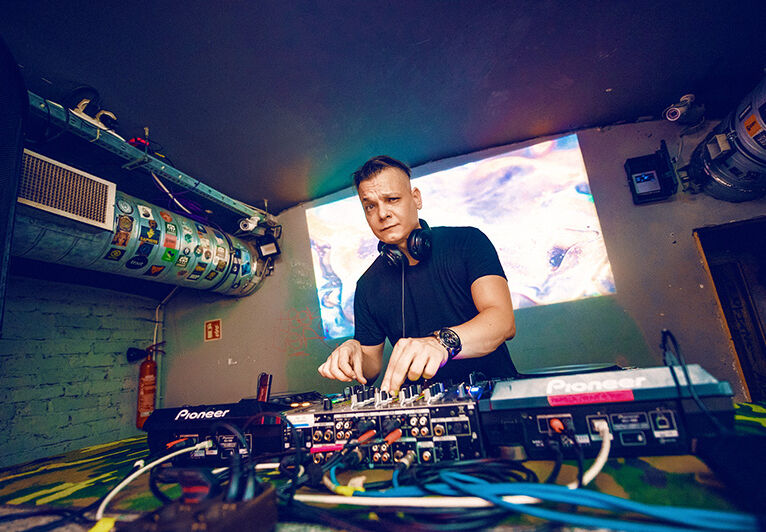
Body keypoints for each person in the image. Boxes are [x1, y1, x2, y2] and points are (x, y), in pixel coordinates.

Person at [317, 155, 517, 392]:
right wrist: (354, 354)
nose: (382, 214)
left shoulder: (468, 241)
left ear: (416, 198)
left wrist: (440, 343)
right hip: (423, 405)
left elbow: (502, 321)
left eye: (392, 199)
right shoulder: (367, 284)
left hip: (493, 394)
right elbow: (371, 368)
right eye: (370, 206)